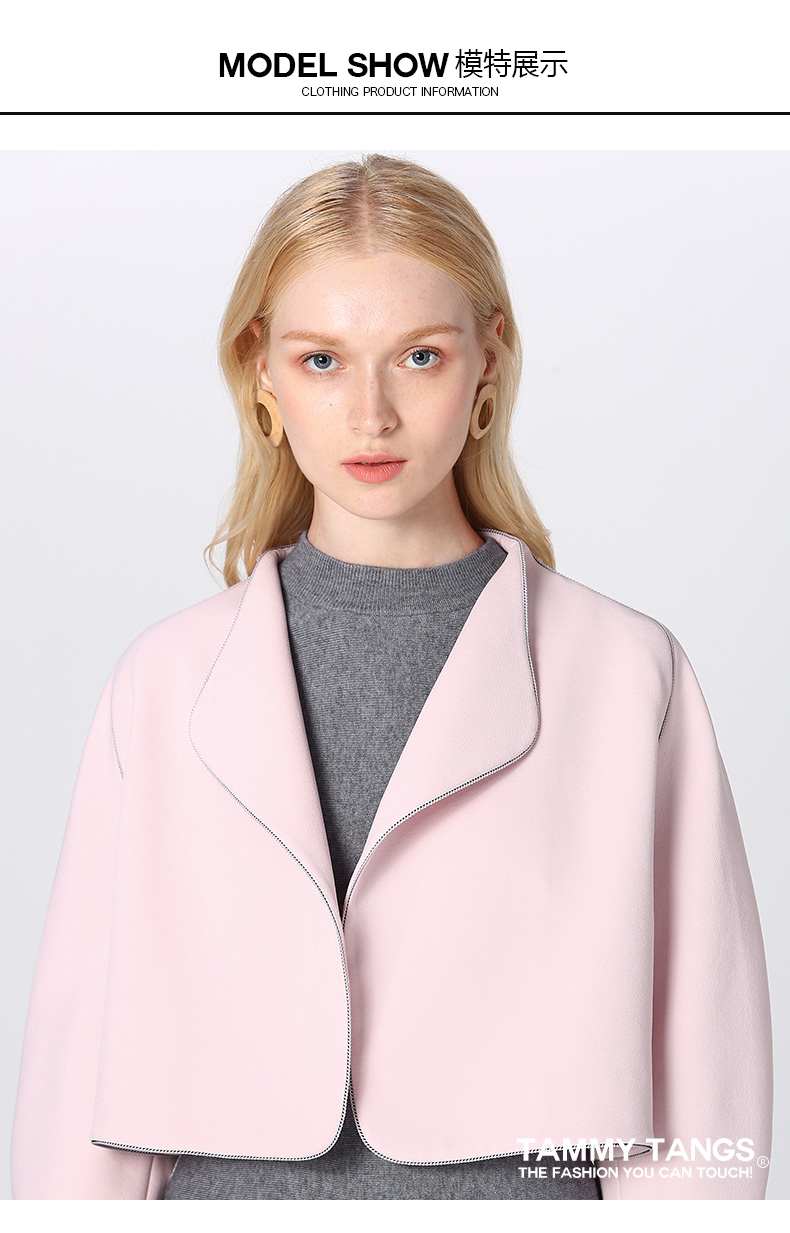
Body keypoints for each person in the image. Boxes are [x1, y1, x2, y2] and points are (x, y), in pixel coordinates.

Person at [10, 154, 773, 1201]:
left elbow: (704, 1073)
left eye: (418, 356)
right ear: (261, 370)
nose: (370, 414)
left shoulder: (625, 673)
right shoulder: (165, 681)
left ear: (488, 360)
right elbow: (78, 1071)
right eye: (322, 360)